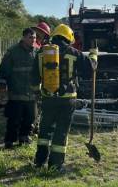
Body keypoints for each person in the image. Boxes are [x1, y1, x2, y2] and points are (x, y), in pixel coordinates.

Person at [31, 24, 97, 171]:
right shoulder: (74, 52)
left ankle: (39, 161)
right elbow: (91, 67)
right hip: (67, 100)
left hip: (47, 98)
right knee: (61, 132)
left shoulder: (42, 52)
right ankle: (55, 165)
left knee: (44, 131)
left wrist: (37, 94)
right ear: (69, 37)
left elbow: (34, 77)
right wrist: (93, 53)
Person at [0, 28, 38, 148]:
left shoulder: (37, 52)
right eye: (30, 37)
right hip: (16, 92)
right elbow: (3, 70)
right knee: (14, 118)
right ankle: (10, 140)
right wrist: (2, 88)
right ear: (24, 38)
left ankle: (24, 137)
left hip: (31, 93)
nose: (33, 40)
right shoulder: (12, 52)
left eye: (34, 37)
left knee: (30, 117)